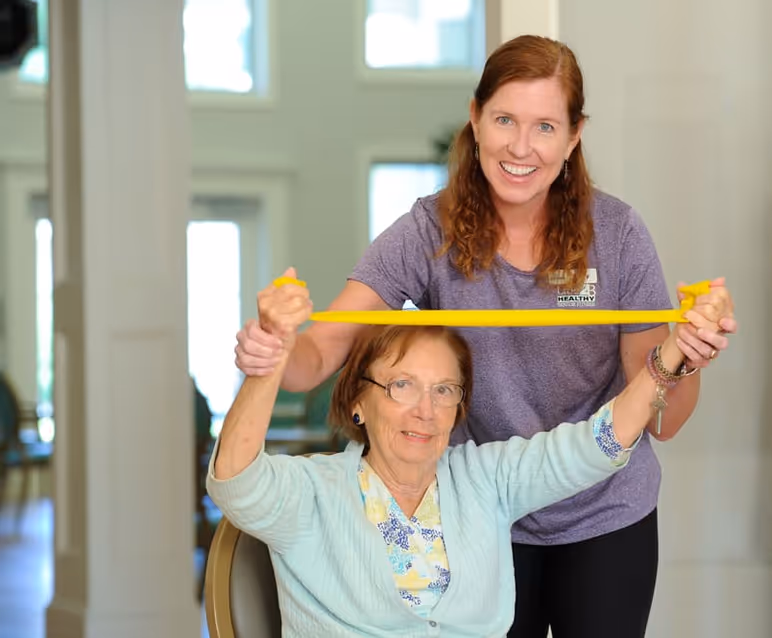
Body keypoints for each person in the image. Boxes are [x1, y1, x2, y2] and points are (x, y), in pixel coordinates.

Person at [234, 34, 738, 637]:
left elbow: (664, 419)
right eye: (504, 119)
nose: (521, 147)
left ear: (575, 135)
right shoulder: (427, 230)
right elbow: (318, 356)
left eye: (546, 126)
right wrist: (276, 343)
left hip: (605, 512)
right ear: (475, 120)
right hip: (485, 515)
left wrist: (689, 355)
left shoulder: (619, 234)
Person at [208, 280, 731, 637]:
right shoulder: (313, 494)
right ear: (357, 402)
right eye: (402, 386)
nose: (425, 411)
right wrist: (270, 360)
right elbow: (235, 481)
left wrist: (673, 355)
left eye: (444, 391)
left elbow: (593, 445)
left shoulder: (483, 479)